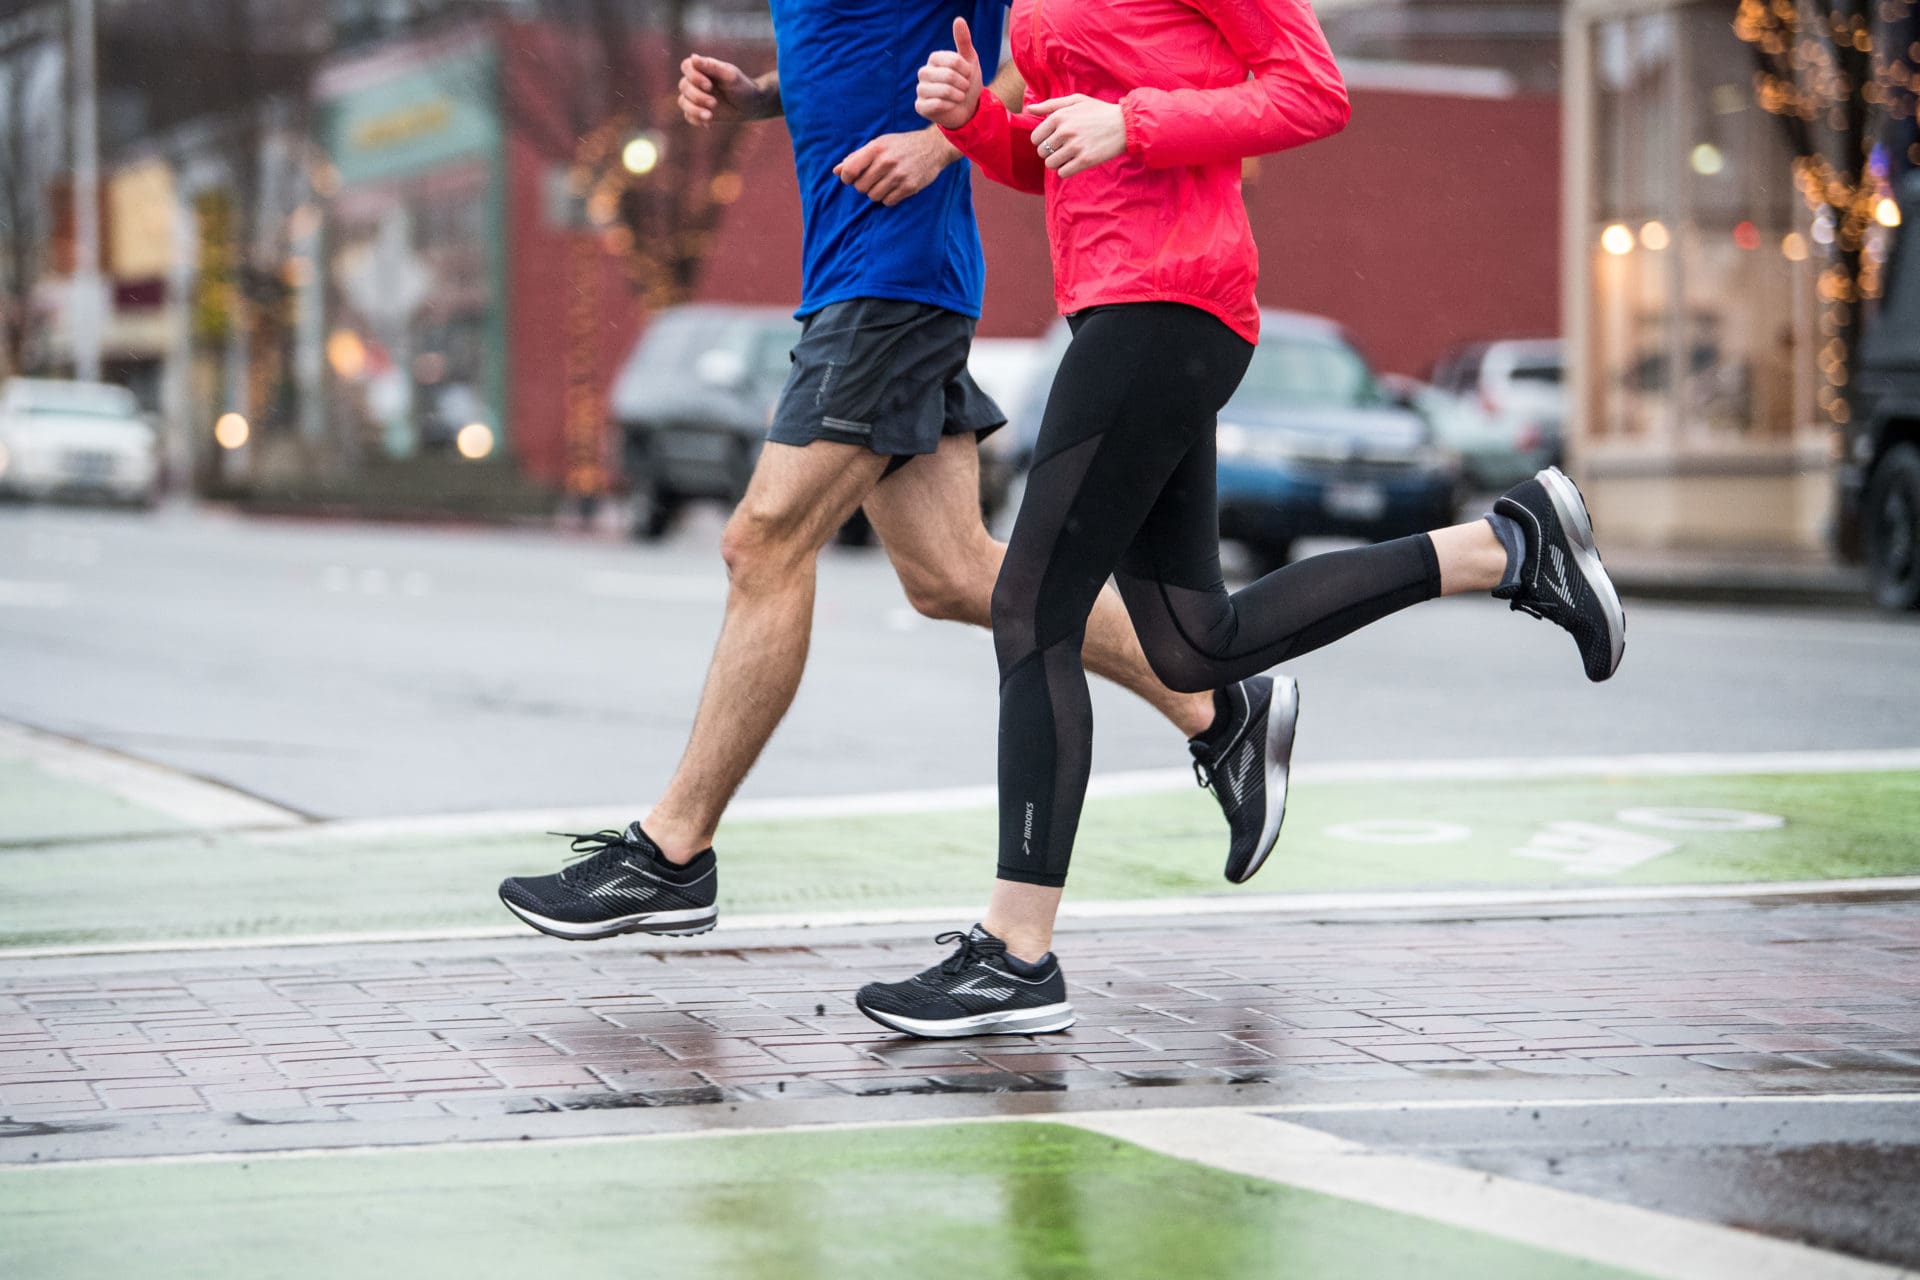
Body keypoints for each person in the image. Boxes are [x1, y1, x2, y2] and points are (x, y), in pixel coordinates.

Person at [853, 3, 1626, 1039]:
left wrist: (1133, 122)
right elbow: (1057, 157)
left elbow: (1313, 93)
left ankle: (1017, 952)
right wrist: (975, 124)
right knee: (1190, 643)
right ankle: (1507, 546)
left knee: (1031, 610)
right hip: (1116, 301)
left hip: (1169, 299)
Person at [495, 2, 1303, 944]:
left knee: (762, 542)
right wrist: (762, 95)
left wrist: (941, 142)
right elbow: (856, 46)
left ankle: (671, 855)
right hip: (855, 274)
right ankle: (1220, 707)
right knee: (951, 572)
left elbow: (1034, 34)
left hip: (893, 275)